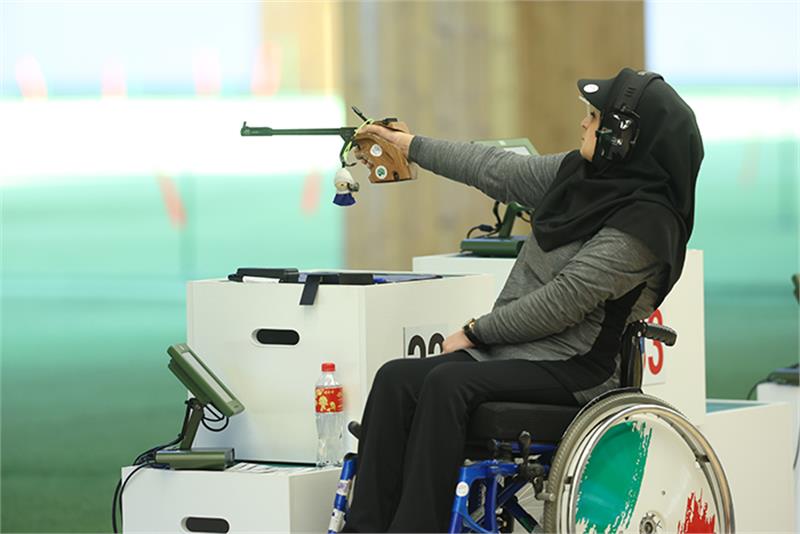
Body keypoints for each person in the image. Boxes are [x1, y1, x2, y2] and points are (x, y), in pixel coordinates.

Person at [342, 67, 703, 533]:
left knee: (448, 386)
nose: (584, 124)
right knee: (395, 379)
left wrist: (476, 332)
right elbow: (493, 168)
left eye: (595, 117)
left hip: (577, 369)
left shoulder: (645, 228)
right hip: (523, 354)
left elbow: (563, 302)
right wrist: (409, 146)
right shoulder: (578, 175)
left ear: (623, 137)